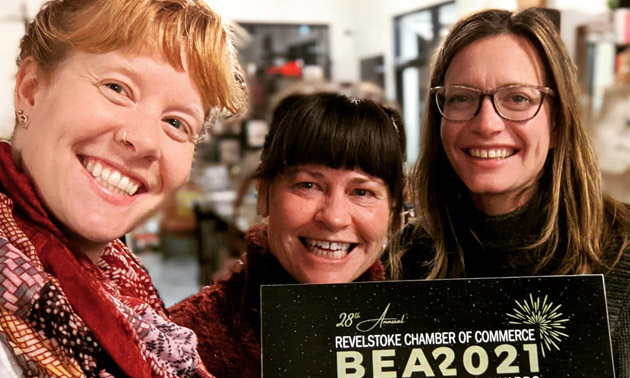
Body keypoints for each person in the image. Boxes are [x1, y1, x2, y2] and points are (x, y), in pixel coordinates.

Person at [0, 0, 247, 376]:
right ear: (31, 91)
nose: (146, 141)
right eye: (117, 88)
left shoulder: (128, 297)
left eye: (177, 123)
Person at [388, 8, 630, 376]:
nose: (486, 124)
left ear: (558, 121)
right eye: (461, 98)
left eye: (518, 98)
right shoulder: (408, 260)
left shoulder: (624, 252)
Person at [169, 93, 406, 378]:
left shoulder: (428, 333)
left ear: (392, 212)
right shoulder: (180, 347)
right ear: (264, 195)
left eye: (362, 192)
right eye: (308, 185)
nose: (334, 217)